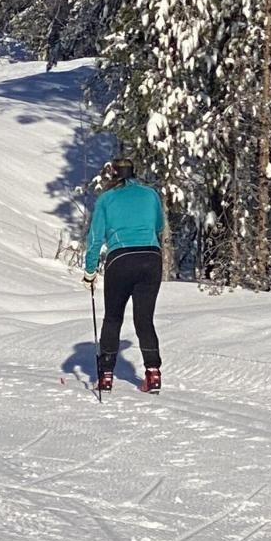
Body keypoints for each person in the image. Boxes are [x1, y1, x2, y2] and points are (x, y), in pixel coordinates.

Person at [82, 156, 165, 393]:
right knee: (144, 319)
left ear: (113, 174)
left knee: (113, 318)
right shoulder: (150, 194)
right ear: (133, 171)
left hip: (121, 258)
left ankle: (106, 375)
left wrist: (90, 271)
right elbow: (159, 226)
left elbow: (96, 238)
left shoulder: (106, 199)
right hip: (151, 257)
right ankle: (153, 373)